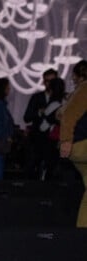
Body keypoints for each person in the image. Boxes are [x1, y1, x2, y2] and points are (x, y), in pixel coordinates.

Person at [59, 59, 87, 227]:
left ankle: (82, 235)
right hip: (81, 144)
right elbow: (68, 115)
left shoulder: (78, 91)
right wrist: (66, 141)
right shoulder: (85, 89)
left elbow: (61, 113)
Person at [24, 68, 58, 179]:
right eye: (47, 81)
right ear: (43, 82)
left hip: (54, 141)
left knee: (52, 170)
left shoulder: (61, 98)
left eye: (53, 81)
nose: (50, 84)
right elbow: (27, 117)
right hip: (37, 140)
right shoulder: (36, 97)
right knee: (32, 168)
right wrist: (38, 112)